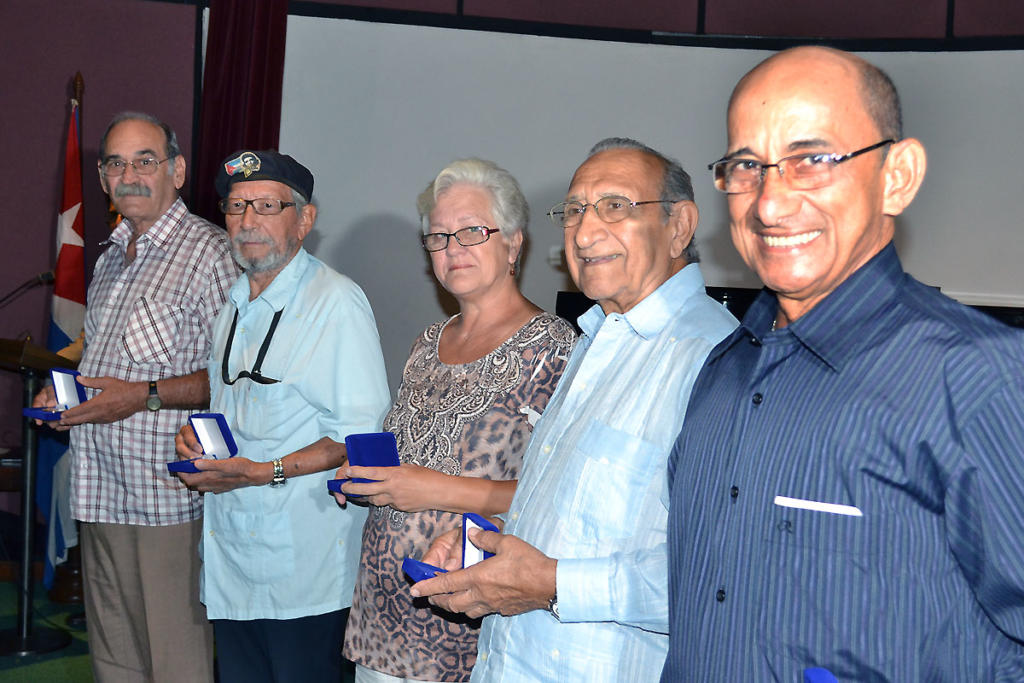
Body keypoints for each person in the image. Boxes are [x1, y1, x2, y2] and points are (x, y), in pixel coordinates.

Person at [663, 46, 1024, 681]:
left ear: (898, 176)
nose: (769, 204)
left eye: (812, 160)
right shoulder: (722, 374)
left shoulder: (976, 377)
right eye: (748, 166)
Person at [412, 138, 739, 681]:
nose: (585, 234)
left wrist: (552, 583)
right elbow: (583, 523)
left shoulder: (715, 361)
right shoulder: (594, 340)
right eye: (573, 212)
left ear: (679, 226)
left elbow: (725, 580)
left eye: (616, 206)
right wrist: (489, 547)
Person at [335, 158, 576, 683]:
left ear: (513, 243)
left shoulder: (554, 349)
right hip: (382, 613)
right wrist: (370, 480)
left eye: (471, 231)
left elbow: (552, 498)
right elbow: (408, 457)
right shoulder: (428, 343)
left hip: (465, 620)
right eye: (439, 237)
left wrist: (428, 489)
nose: (453, 249)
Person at [32, 111, 238, 682]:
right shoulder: (109, 259)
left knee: (175, 660)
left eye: (145, 161)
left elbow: (232, 379)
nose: (130, 175)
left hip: (169, 494)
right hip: (100, 486)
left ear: (176, 170)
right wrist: (66, 395)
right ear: (101, 180)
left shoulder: (211, 254)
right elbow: (101, 361)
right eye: (116, 164)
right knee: (115, 656)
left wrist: (140, 397)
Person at [173, 149, 391, 682]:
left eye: (266, 206)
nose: (247, 221)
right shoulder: (233, 301)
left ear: (305, 218)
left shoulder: (335, 303)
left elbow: (359, 435)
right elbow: (233, 406)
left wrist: (262, 471)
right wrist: (198, 439)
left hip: (304, 572)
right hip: (233, 559)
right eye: (236, 206)